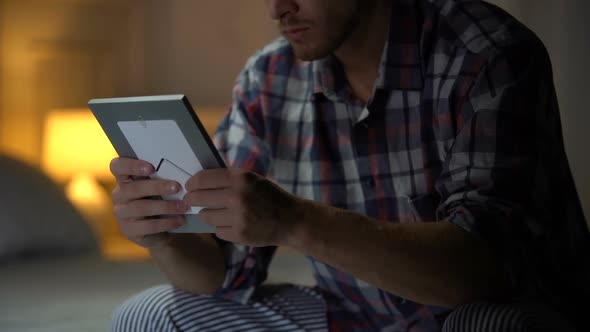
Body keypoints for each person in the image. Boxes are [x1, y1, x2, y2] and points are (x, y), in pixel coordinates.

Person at [110, 0, 590, 331]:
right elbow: (222, 277)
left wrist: (294, 220)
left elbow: (479, 273)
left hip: (486, 312)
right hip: (352, 316)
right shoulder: (269, 77)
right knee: (149, 316)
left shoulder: (486, 54)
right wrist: (163, 237)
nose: (279, 7)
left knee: (489, 325)